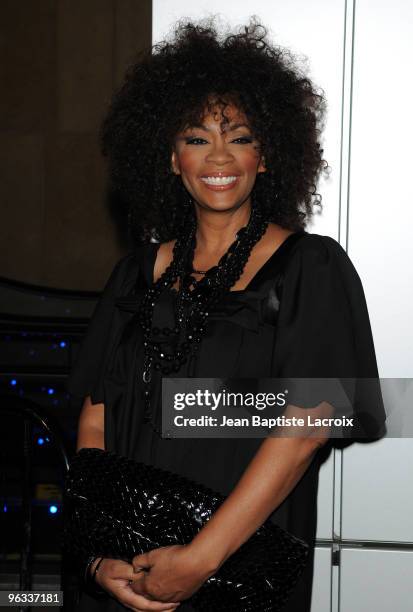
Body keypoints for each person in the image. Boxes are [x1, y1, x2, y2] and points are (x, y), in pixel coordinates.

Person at [66, 19, 385, 612]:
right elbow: (94, 425)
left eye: (239, 137)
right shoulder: (133, 275)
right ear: (170, 156)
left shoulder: (310, 269)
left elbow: (305, 429)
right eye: (196, 138)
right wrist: (98, 556)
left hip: (237, 570)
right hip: (123, 571)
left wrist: (201, 559)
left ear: (267, 156)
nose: (219, 156)